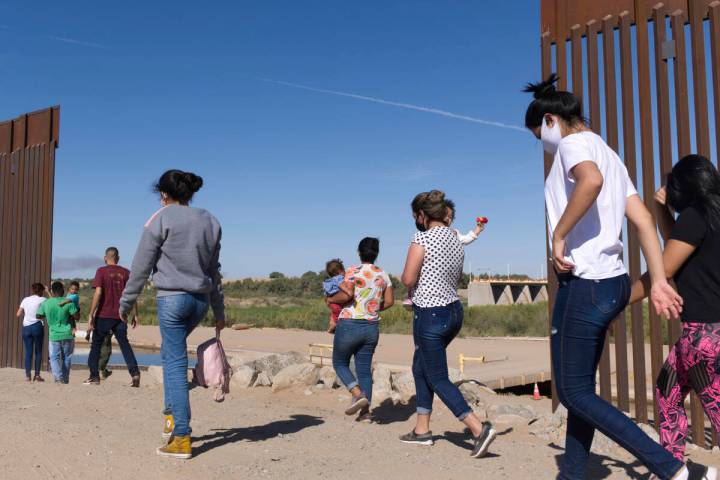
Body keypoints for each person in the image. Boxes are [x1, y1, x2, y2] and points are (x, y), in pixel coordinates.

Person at [525, 74, 713, 480]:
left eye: (537, 132)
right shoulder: (610, 154)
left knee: (573, 391)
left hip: (585, 283)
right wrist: (660, 280)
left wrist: (558, 234)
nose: (540, 141)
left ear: (552, 121)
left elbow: (589, 182)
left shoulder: (574, 144)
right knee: (581, 391)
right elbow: (644, 219)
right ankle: (573, 473)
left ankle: (670, 468)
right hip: (611, 284)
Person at [119, 169, 225, 459]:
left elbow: (141, 266)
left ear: (163, 194)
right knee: (170, 355)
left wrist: (126, 303)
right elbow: (214, 272)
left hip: (173, 301)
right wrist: (219, 310)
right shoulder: (210, 220)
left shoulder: (160, 218)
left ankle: (180, 436)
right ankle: (169, 420)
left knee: (175, 365)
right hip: (200, 302)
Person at [629, 155, 720, 472]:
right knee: (666, 393)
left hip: (703, 336)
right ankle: (672, 468)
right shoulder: (709, 216)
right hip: (702, 333)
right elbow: (678, 246)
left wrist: (620, 300)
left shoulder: (697, 215)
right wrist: (661, 211)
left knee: (717, 408)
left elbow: (665, 266)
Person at [399, 190, 496, 459]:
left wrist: (407, 275)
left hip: (430, 313)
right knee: (420, 368)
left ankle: (478, 429)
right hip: (453, 311)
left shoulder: (422, 238)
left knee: (437, 377)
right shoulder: (455, 239)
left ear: (422, 215)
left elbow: (408, 279)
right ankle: (422, 430)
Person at [327, 237, 393, 422]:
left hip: (349, 324)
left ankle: (356, 394)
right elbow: (389, 301)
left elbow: (343, 294)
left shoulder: (351, 272)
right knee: (364, 370)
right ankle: (365, 413)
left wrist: (331, 300)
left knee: (339, 363)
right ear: (376, 254)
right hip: (371, 327)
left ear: (359, 252)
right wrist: (371, 308)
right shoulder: (383, 275)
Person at [403, 199, 485, 310]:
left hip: (431, 306)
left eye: (451, 217)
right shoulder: (453, 236)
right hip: (453, 305)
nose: (448, 219)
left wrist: (477, 230)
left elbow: (408, 280)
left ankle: (411, 298)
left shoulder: (425, 237)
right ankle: (411, 297)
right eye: (445, 215)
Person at [84, 247, 141, 386]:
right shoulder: (126, 273)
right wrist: (135, 314)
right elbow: (132, 294)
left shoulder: (101, 271)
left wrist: (91, 313)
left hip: (103, 315)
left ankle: (94, 376)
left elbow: (98, 293)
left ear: (105, 258)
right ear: (118, 258)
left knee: (96, 345)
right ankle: (135, 374)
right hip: (121, 316)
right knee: (124, 345)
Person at [36, 281, 78, 384]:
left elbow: (38, 315)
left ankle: (58, 378)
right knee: (67, 357)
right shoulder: (68, 302)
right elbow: (77, 316)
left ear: (52, 291)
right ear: (63, 291)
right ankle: (66, 378)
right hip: (68, 334)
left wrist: (47, 315)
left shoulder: (46, 303)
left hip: (54, 335)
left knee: (54, 357)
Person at [16, 283, 47, 382]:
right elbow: (53, 304)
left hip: (26, 328)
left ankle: (28, 376)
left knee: (28, 352)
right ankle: (37, 375)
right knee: (38, 352)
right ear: (42, 290)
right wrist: (48, 292)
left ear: (33, 290)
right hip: (37, 327)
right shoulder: (43, 300)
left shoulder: (25, 299)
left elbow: (18, 314)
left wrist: (28, 313)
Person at [323, 258, 346, 334]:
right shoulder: (340, 279)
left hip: (332, 303)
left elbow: (326, 294)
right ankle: (335, 325)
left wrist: (327, 300)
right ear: (340, 271)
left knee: (334, 313)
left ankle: (332, 324)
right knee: (338, 313)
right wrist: (349, 291)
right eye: (344, 270)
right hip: (337, 302)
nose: (345, 272)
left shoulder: (330, 281)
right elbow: (343, 288)